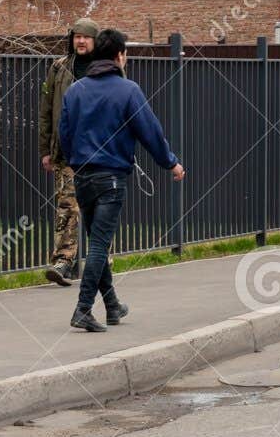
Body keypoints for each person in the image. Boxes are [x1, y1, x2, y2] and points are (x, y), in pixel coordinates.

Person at [57, 28, 185, 332]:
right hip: (111, 178)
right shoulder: (128, 90)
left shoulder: (75, 91)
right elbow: (150, 132)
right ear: (119, 56)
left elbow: (64, 134)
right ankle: (83, 309)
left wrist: (77, 158)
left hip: (82, 177)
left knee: (96, 241)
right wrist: (171, 163)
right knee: (100, 244)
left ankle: (112, 306)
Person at [38, 17, 100, 286]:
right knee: (67, 208)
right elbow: (46, 112)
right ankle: (63, 262)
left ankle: (100, 261)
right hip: (66, 153)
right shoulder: (59, 68)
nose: (81, 41)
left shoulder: (105, 70)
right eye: (77, 36)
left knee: (98, 208)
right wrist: (46, 149)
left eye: (86, 37)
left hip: (99, 154)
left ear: (95, 41)